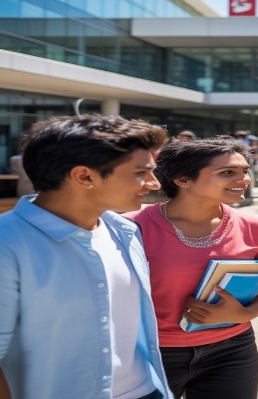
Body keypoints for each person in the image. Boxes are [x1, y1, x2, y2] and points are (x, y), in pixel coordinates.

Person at [0, 115, 172, 399]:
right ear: (84, 176)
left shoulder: (125, 230)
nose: (153, 184)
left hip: (147, 390)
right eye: (141, 172)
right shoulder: (7, 244)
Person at [124, 139, 258, 399]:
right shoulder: (129, 228)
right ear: (183, 180)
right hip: (149, 353)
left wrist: (245, 313)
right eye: (227, 172)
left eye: (245, 170)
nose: (243, 179)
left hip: (232, 350)